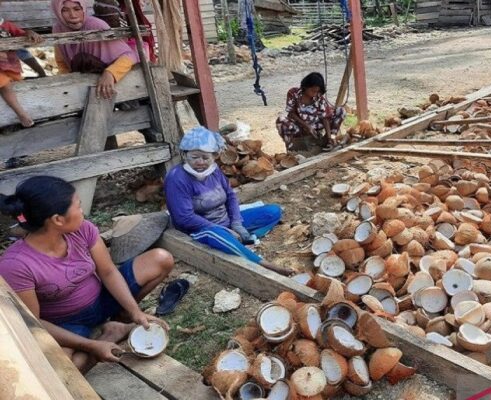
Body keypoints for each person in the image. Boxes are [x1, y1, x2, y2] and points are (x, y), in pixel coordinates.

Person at [0, 176, 174, 372]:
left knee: (160, 259)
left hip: (101, 300)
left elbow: (108, 272)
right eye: (78, 206)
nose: (82, 212)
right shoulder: (16, 265)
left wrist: (135, 311)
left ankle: (121, 317)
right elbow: (35, 323)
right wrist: (91, 346)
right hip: (67, 322)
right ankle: (109, 334)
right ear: (58, 219)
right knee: (65, 370)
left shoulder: (82, 230)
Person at [164, 127, 291, 276]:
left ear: (214, 156)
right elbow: (184, 218)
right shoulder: (176, 178)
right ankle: (260, 263)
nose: (200, 162)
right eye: (194, 157)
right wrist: (225, 230)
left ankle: (239, 240)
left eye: (205, 158)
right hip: (200, 229)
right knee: (217, 235)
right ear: (185, 155)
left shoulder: (214, 170)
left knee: (273, 211)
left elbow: (230, 196)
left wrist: (236, 222)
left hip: (226, 222)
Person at [52, 0, 139, 99]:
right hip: (81, 86)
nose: (73, 15)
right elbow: (62, 63)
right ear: (57, 12)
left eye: (77, 9)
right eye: (65, 10)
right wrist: (68, 83)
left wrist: (110, 73)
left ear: (83, 9)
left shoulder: (96, 26)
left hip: (110, 84)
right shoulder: (58, 29)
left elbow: (131, 56)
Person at [276, 72, 346, 152]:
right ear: (306, 86)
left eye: (317, 91)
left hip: (315, 126)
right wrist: (307, 126)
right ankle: (292, 149)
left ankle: (327, 141)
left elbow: (325, 117)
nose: (315, 94)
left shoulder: (318, 97)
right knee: (281, 120)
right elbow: (291, 113)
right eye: (313, 91)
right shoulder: (294, 93)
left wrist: (329, 137)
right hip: (299, 127)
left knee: (341, 111)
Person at [0, 11, 43, 127]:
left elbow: (21, 35)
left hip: (9, 66)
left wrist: (29, 33)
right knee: (5, 84)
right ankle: (22, 115)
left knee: (16, 85)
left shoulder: (6, 25)